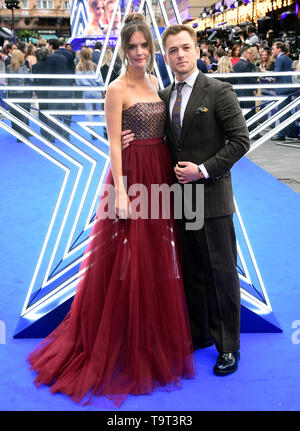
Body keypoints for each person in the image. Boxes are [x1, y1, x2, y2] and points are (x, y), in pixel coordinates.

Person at [27, 13, 195, 408]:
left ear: (151, 49)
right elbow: (114, 145)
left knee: (156, 254)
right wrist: (120, 192)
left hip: (160, 175)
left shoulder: (158, 84)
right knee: (124, 255)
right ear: (123, 49)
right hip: (132, 176)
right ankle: (120, 336)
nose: (138, 52)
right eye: (131, 46)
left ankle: (151, 333)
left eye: (143, 46)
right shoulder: (116, 89)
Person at [122, 24, 250, 376]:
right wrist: (125, 136)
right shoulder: (163, 96)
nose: (179, 55)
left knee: (222, 273)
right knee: (192, 270)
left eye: (185, 48)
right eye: (173, 50)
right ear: (166, 57)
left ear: (196, 50)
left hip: (211, 197)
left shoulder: (219, 91)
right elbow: (152, 136)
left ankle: (229, 347)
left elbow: (240, 142)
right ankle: (199, 333)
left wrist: (204, 170)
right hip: (181, 200)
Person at [270, 41, 294, 142]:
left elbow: (277, 73)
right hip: (289, 88)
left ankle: (281, 134)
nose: (272, 51)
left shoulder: (279, 59)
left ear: (279, 49)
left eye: (274, 49)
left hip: (282, 89)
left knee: (282, 112)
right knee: (288, 111)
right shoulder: (288, 58)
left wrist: (267, 74)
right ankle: (291, 132)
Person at [6, 49, 32, 142]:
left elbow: (7, 82)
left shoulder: (9, 68)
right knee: (24, 113)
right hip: (24, 93)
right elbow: (29, 80)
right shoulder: (25, 68)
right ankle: (24, 134)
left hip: (13, 94)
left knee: (15, 113)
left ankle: (17, 133)